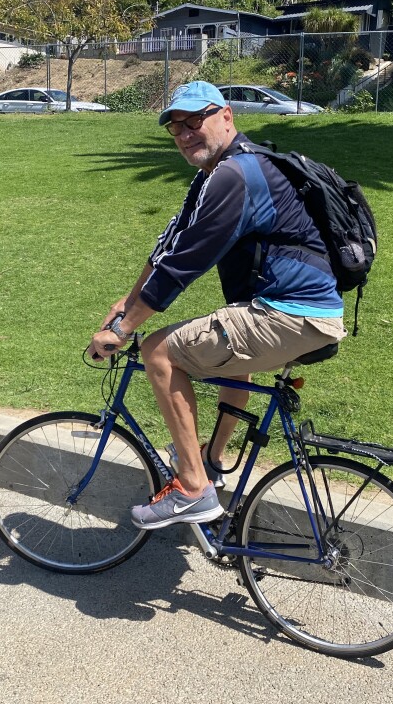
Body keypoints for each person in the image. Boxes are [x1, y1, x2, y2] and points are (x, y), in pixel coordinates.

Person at [87, 81, 346, 531]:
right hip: (303, 313)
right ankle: (212, 459)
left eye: (195, 121)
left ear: (226, 115)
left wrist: (124, 328)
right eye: (176, 128)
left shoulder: (235, 175)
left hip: (290, 313)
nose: (185, 133)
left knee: (158, 351)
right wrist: (126, 302)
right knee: (228, 353)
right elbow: (169, 247)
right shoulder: (215, 175)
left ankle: (191, 487)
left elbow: (184, 265)